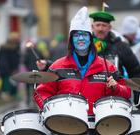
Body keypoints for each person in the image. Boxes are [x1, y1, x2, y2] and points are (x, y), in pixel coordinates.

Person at [33, 7, 131, 135]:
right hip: (65, 127)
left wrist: (116, 87)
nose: (80, 39)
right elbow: (41, 92)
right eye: (77, 35)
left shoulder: (108, 67)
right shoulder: (58, 66)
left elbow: (127, 92)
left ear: (90, 39)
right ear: (71, 39)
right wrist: (50, 110)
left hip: (99, 128)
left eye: (84, 35)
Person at [89, 11, 140, 108]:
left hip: (116, 97)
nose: (101, 28)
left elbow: (135, 71)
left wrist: (138, 93)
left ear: (110, 28)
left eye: (104, 25)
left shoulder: (121, 46)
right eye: (98, 25)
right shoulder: (85, 46)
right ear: (92, 27)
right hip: (91, 95)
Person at [0, 32, 21, 99]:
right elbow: (3, 60)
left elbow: (16, 58)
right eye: (16, 39)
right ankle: (6, 96)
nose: (18, 40)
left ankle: (13, 95)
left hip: (13, 69)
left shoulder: (16, 47)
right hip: (6, 70)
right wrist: (8, 69)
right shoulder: (5, 48)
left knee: (13, 83)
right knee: (6, 83)